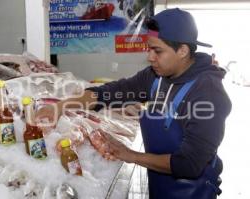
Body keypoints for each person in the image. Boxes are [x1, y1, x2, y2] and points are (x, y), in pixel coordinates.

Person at [36, 8, 231, 199]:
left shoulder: (208, 92)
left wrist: (130, 155)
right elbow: (110, 93)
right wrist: (60, 107)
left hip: (193, 190)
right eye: (149, 48)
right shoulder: (156, 77)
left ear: (182, 51)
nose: (149, 57)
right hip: (160, 183)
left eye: (157, 51)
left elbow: (189, 164)